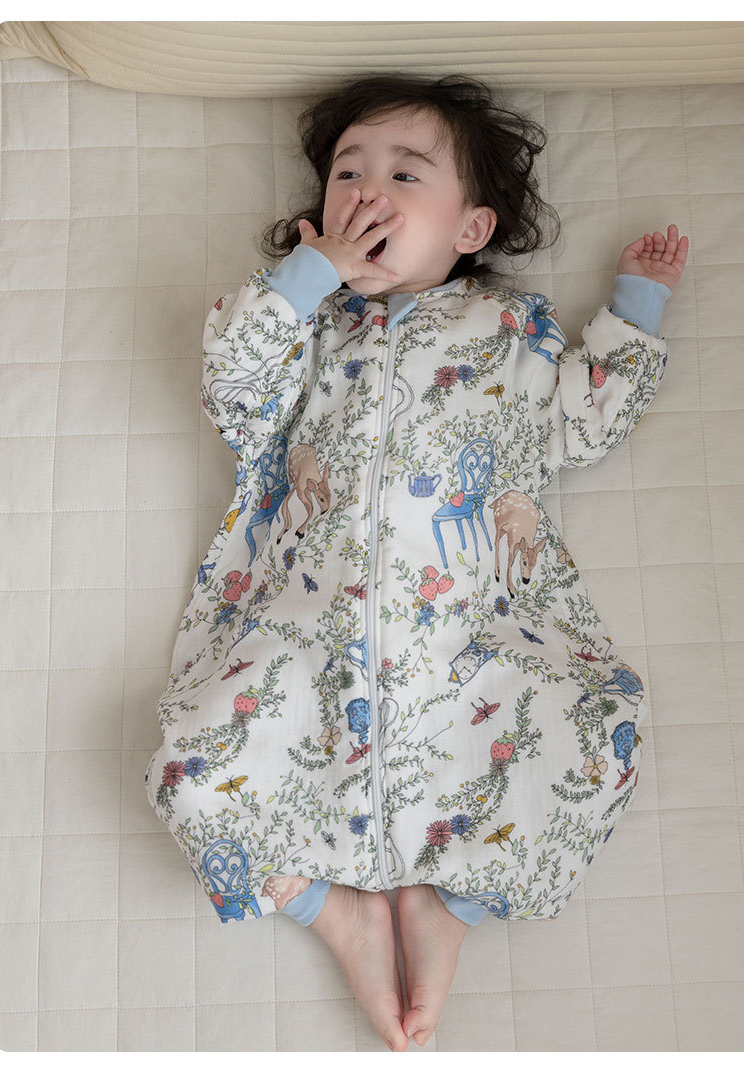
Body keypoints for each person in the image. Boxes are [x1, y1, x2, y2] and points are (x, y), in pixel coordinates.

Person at [145, 73, 689, 1053]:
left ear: (470, 229)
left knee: (597, 731)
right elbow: (233, 389)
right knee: (189, 770)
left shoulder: (509, 332)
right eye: (346, 174)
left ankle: (451, 905)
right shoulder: (305, 326)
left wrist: (634, 310)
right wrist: (303, 281)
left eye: (405, 175)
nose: (366, 192)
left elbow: (579, 422)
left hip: (475, 633)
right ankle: (328, 906)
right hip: (304, 636)